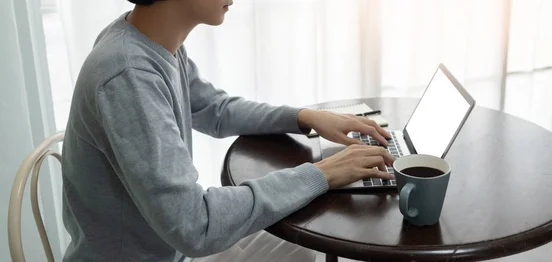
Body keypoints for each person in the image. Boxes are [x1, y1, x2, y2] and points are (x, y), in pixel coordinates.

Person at [60, 0, 395, 261]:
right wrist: (320, 174)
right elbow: (196, 225)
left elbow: (215, 110)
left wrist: (303, 117)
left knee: (311, 250)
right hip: (165, 254)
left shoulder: (145, 41)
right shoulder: (128, 74)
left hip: (169, 249)